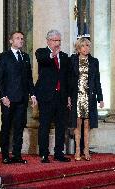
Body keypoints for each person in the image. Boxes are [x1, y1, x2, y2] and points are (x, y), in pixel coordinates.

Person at [0, 31, 37, 164]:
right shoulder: (4, 56)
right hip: (8, 99)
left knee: (19, 127)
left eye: (22, 38)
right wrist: (2, 96)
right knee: (6, 127)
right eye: (18, 38)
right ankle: (5, 155)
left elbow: (29, 79)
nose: (21, 40)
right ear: (11, 41)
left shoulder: (25, 56)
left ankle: (17, 155)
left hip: (22, 99)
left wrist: (33, 94)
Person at [35, 30, 71, 163]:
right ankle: (44, 153)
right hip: (46, 96)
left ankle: (59, 153)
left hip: (61, 96)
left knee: (61, 126)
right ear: (48, 41)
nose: (57, 43)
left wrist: (68, 96)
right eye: (55, 40)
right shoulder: (42, 52)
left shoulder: (64, 56)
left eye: (59, 41)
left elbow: (66, 78)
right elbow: (43, 60)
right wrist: (52, 55)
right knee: (44, 125)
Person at [68, 37, 104, 161]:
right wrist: (68, 97)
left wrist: (100, 98)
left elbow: (97, 80)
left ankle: (86, 150)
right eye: (83, 46)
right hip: (76, 96)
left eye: (88, 46)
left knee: (87, 124)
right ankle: (77, 150)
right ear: (78, 48)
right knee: (77, 124)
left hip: (89, 97)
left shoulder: (94, 61)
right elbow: (68, 79)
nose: (86, 48)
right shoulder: (72, 60)